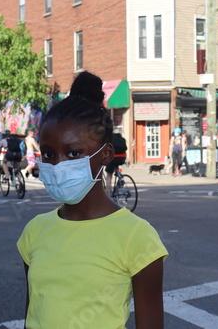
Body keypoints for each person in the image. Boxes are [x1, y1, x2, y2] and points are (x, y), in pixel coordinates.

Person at [17, 71, 168, 329]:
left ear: (106, 154)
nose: (57, 165)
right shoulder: (34, 232)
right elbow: (33, 312)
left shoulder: (137, 237)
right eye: (49, 154)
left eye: (74, 152)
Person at [105, 129, 127, 195]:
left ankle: (108, 195)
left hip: (112, 158)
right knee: (116, 168)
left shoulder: (110, 140)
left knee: (109, 176)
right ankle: (120, 178)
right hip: (122, 158)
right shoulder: (122, 139)